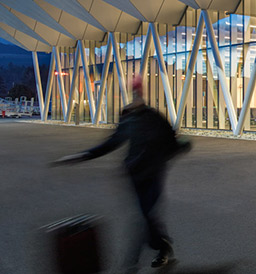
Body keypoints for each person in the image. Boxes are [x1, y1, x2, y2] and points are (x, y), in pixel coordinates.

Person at [54, 75, 189, 271]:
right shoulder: (127, 119)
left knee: (145, 217)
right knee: (147, 217)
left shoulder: (154, 117)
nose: (136, 96)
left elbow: (172, 141)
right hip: (134, 175)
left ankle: (132, 261)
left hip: (153, 174)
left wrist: (182, 145)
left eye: (138, 92)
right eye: (134, 92)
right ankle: (163, 246)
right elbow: (111, 143)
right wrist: (82, 155)